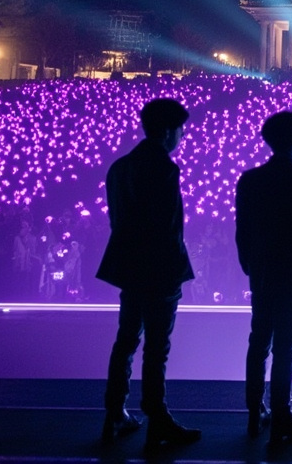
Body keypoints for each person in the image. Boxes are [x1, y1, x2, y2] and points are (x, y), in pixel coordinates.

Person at [95, 98, 201, 449]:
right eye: (180, 130)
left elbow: (117, 221)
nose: (182, 137)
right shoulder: (164, 168)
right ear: (168, 130)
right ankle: (158, 417)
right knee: (157, 347)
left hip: (129, 267)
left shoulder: (120, 167)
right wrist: (176, 272)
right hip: (159, 271)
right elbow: (168, 228)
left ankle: (115, 412)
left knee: (125, 339)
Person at [235, 111, 292, 446]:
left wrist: (249, 265)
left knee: (258, 340)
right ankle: (281, 415)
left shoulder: (250, 180)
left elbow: (242, 230)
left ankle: (254, 411)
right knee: (285, 347)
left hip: (262, 270)